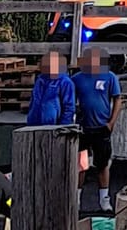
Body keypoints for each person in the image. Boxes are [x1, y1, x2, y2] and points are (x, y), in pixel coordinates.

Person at [72, 48, 121, 213]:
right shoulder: (77, 79)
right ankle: (76, 201)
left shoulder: (110, 77)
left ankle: (104, 201)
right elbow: (69, 99)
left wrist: (111, 122)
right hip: (83, 128)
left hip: (102, 127)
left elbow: (117, 99)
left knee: (102, 164)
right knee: (80, 164)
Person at [26, 50, 75, 127]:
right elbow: (33, 100)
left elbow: (69, 108)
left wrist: (62, 127)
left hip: (53, 127)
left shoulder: (65, 82)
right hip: (33, 124)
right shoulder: (40, 79)